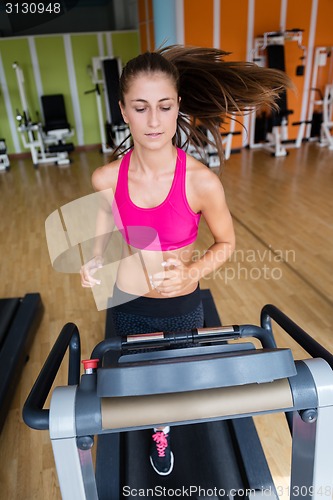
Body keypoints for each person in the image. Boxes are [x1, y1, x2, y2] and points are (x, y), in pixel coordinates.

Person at [80, 45, 291, 476]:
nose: (153, 120)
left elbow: (226, 242)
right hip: (128, 302)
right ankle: (154, 422)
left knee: (171, 385)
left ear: (179, 108)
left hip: (181, 307)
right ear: (123, 110)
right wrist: (95, 258)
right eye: (140, 108)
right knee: (142, 386)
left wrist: (194, 270)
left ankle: (163, 430)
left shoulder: (201, 182)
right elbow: (103, 221)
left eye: (164, 106)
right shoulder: (106, 177)